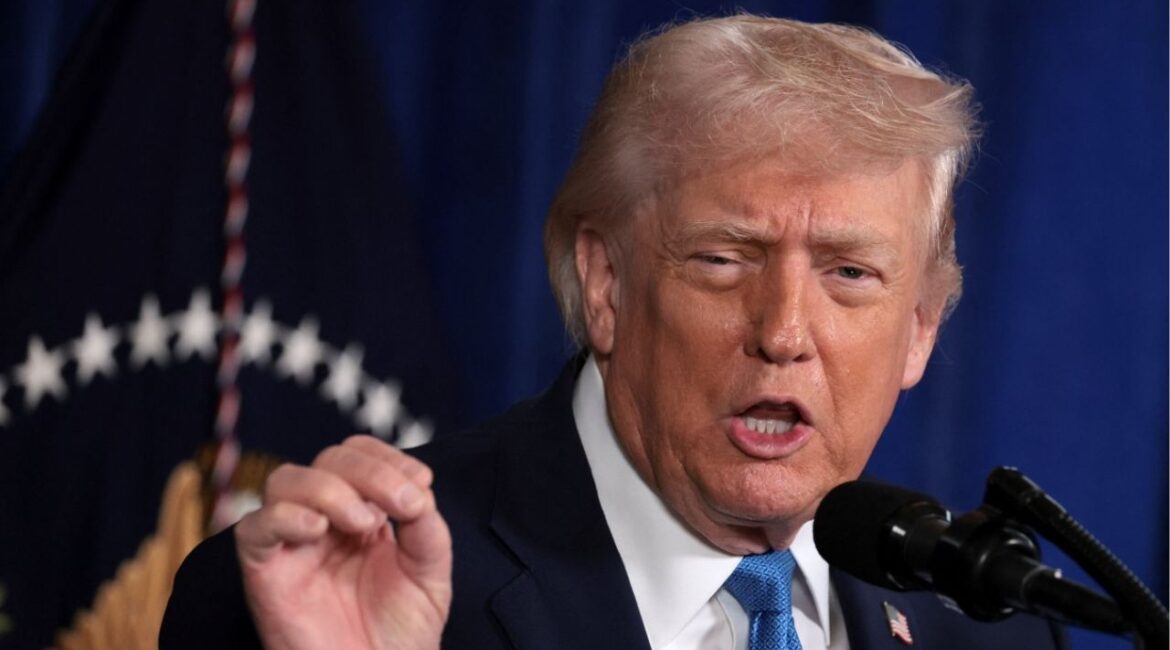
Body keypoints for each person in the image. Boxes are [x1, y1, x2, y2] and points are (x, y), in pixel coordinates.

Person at [162, 15, 1064, 649]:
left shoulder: (991, 625)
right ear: (606, 285)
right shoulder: (336, 596)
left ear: (919, 331)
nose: (784, 333)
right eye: (723, 257)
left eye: (850, 274)